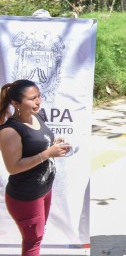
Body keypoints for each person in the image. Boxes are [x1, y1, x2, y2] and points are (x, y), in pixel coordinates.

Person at [0, 80, 71, 256]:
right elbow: (13, 167)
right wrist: (48, 154)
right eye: (32, 98)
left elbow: (37, 145)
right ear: (16, 103)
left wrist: (53, 145)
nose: (38, 101)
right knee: (32, 241)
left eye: (39, 96)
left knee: (36, 237)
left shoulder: (37, 116)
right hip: (26, 196)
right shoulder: (9, 131)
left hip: (43, 190)